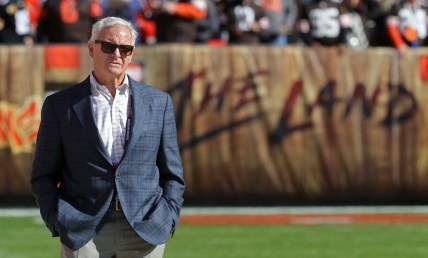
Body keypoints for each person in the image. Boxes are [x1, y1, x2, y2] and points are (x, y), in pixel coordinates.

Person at [30, 16, 185, 258]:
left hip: (145, 228)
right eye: (108, 46)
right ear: (91, 49)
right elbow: (43, 175)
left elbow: (172, 173)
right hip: (84, 229)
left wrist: (169, 216)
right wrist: (59, 219)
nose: (117, 54)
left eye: (125, 49)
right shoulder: (60, 105)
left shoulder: (159, 102)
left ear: (132, 54)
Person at [36, 0, 103, 43]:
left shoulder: (89, 3)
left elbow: (98, 24)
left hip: (82, 47)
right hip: (57, 47)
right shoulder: (50, 3)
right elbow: (42, 25)